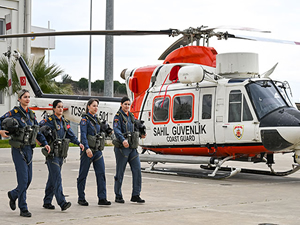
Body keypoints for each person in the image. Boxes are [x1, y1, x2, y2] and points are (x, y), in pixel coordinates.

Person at [0, 89, 51, 217]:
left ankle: (13, 194)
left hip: (29, 149)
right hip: (18, 149)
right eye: (24, 97)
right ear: (19, 99)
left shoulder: (32, 115)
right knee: (23, 180)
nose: (27, 99)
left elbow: (37, 131)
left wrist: (45, 143)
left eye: (28, 97)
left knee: (28, 180)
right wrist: (0, 131)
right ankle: (23, 208)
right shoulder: (14, 113)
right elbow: (0, 121)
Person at [39, 100, 84, 211]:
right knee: (57, 178)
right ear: (53, 109)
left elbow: (71, 135)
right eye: (58, 107)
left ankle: (47, 201)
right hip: (52, 154)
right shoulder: (48, 121)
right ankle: (62, 202)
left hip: (61, 154)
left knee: (52, 178)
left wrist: (79, 143)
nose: (60, 109)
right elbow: (39, 131)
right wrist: (44, 143)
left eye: (62, 107)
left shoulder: (64, 122)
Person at [77, 98, 111, 206]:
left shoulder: (97, 120)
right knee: (83, 174)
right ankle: (81, 197)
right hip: (88, 151)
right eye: (94, 106)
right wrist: (86, 148)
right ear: (88, 107)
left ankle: (102, 198)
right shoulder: (84, 120)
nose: (96, 108)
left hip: (97, 151)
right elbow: (83, 135)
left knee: (101, 174)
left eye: (97, 106)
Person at [113, 96, 146, 204]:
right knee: (120, 172)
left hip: (132, 148)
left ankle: (136, 194)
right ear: (121, 105)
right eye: (125, 104)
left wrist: (141, 134)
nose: (127, 106)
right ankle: (118, 195)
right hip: (122, 149)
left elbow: (136, 127)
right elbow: (116, 130)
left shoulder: (131, 116)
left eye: (128, 104)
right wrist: (123, 140)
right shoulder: (118, 117)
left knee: (137, 170)